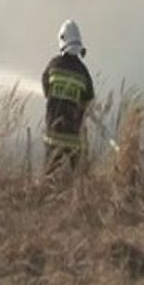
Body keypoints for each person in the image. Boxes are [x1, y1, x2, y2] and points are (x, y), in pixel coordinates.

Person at [42, 19, 95, 181]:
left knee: (49, 177)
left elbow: (46, 90)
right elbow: (89, 98)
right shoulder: (83, 72)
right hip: (74, 138)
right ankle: (79, 202)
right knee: (79, 179)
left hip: (53, 135)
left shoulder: (53, 66)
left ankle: (45, 199)